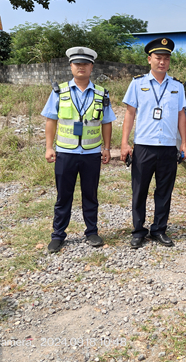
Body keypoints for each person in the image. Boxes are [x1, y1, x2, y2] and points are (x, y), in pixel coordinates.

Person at [42, 47, 116, 253]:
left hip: (91, 153)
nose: (81, 67)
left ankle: (91, 231)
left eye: (85, 63)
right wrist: (49, 147)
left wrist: (107, 148)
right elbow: (51, 120)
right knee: (63, 196)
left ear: (91, 67)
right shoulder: (59, 91)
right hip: (66, 152)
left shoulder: (102, 93)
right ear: (71, 66)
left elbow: (107, 122)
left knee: (90, 194)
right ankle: (58, 235)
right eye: (77, 63)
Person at [120, 38, 186, 249]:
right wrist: (124, 143)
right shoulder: (137, 83)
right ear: (149, 59)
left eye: (166, 58)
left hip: (168, 147)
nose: (162, 62)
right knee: (139, 190)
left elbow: (181, 116)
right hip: (144, 146)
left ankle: (159, 229)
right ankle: (138, 231)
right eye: (158, 58)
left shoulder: (177, 86)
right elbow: (130, 114)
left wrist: (184, 143)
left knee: (164, 191)